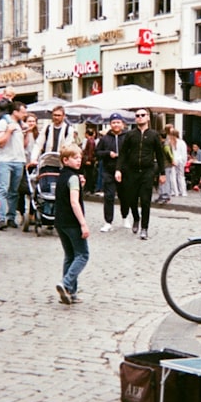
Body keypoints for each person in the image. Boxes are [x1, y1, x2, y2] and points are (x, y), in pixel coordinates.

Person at [115, 108, 166, 240]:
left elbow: (160, 156)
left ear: (148, 117)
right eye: (137, 115)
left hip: (147, 171)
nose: (140, 117)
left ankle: (144, 228)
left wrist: (162, 173)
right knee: (131, 198)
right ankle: (136, 218)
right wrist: (118, 169)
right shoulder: (130, 134)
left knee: (145, 200)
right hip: (131, 171)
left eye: (143, 115)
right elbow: (123, 154)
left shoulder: (154, 135)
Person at [54, 144, 89, 305]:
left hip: (60, 221)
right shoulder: (73, 178)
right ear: (65, 160)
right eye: (75, 158)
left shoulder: (62, 176)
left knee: (70, 256)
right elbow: (74, 202)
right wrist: (83, 224)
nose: (79, 161)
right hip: (72, 222)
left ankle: (71, 293)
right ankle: (66, 283)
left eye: (80, 158)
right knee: (82, 255)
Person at [0, 99, 27, 231]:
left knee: (14, 192)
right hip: (5, 161)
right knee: (3, 190)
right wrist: (9, 131)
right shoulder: (3, 123)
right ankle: (1, 218)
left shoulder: (20, 124)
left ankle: (11, 218)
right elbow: (0, 142)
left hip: (19, 160)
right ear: (15, 112)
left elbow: (22, 145)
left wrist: (28, 132)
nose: (25, 114)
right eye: (23, 112)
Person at [95, 113, 128, 232]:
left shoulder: (127, 137)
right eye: (113, 122)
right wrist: (108, 153)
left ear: (122, 124)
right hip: (109, 170)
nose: (116, 125)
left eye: (118, 122)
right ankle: (108, 222)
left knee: (124, 196)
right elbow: (97, 153)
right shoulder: (105, 139)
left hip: (124, 171)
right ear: (110, 124)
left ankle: (125, 217)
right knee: (109, 197)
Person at [169, 128, 188, 198]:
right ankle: (183, 191)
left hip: (173, 161)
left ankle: (174, 191)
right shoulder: (182, 142)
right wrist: (183, 161)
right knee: (181, 176)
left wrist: (173, 160)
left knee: (172, 176)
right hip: (181, 161)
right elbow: (184, 154)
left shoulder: (171, 143)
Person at [82, 126, 98, 195]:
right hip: (90, 160)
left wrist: (88, 160)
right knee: (89, 175)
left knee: (89, 175)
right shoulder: (91, 141)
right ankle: (89, 189)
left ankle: (90, 189)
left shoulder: (90, 141)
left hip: (89, 161)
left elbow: (90, 152)